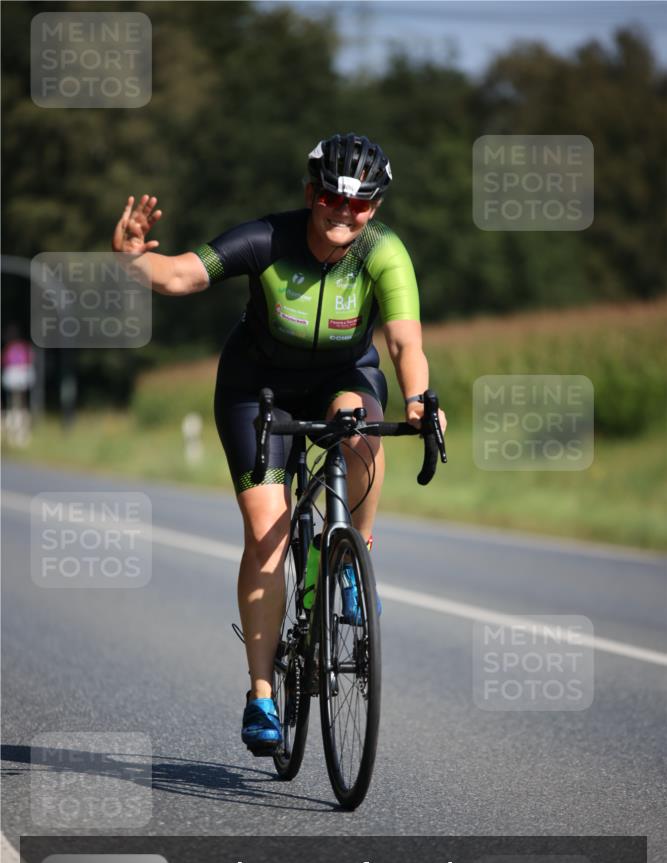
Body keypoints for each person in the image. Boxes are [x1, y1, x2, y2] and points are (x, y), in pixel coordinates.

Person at [112, 133, 446, 755]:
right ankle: (262, 693)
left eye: (360, 203)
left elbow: (404, 342)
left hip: (342, 377)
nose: (343, 213)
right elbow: (183, 274)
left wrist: (422, 402)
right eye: (330, 197)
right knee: (268, 528)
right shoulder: (268, 238)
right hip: (256, 386)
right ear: (310, 193)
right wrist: (133, 260)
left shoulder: (384, 252)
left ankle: (352, 554)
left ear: (375, 206)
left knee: (363, 434)